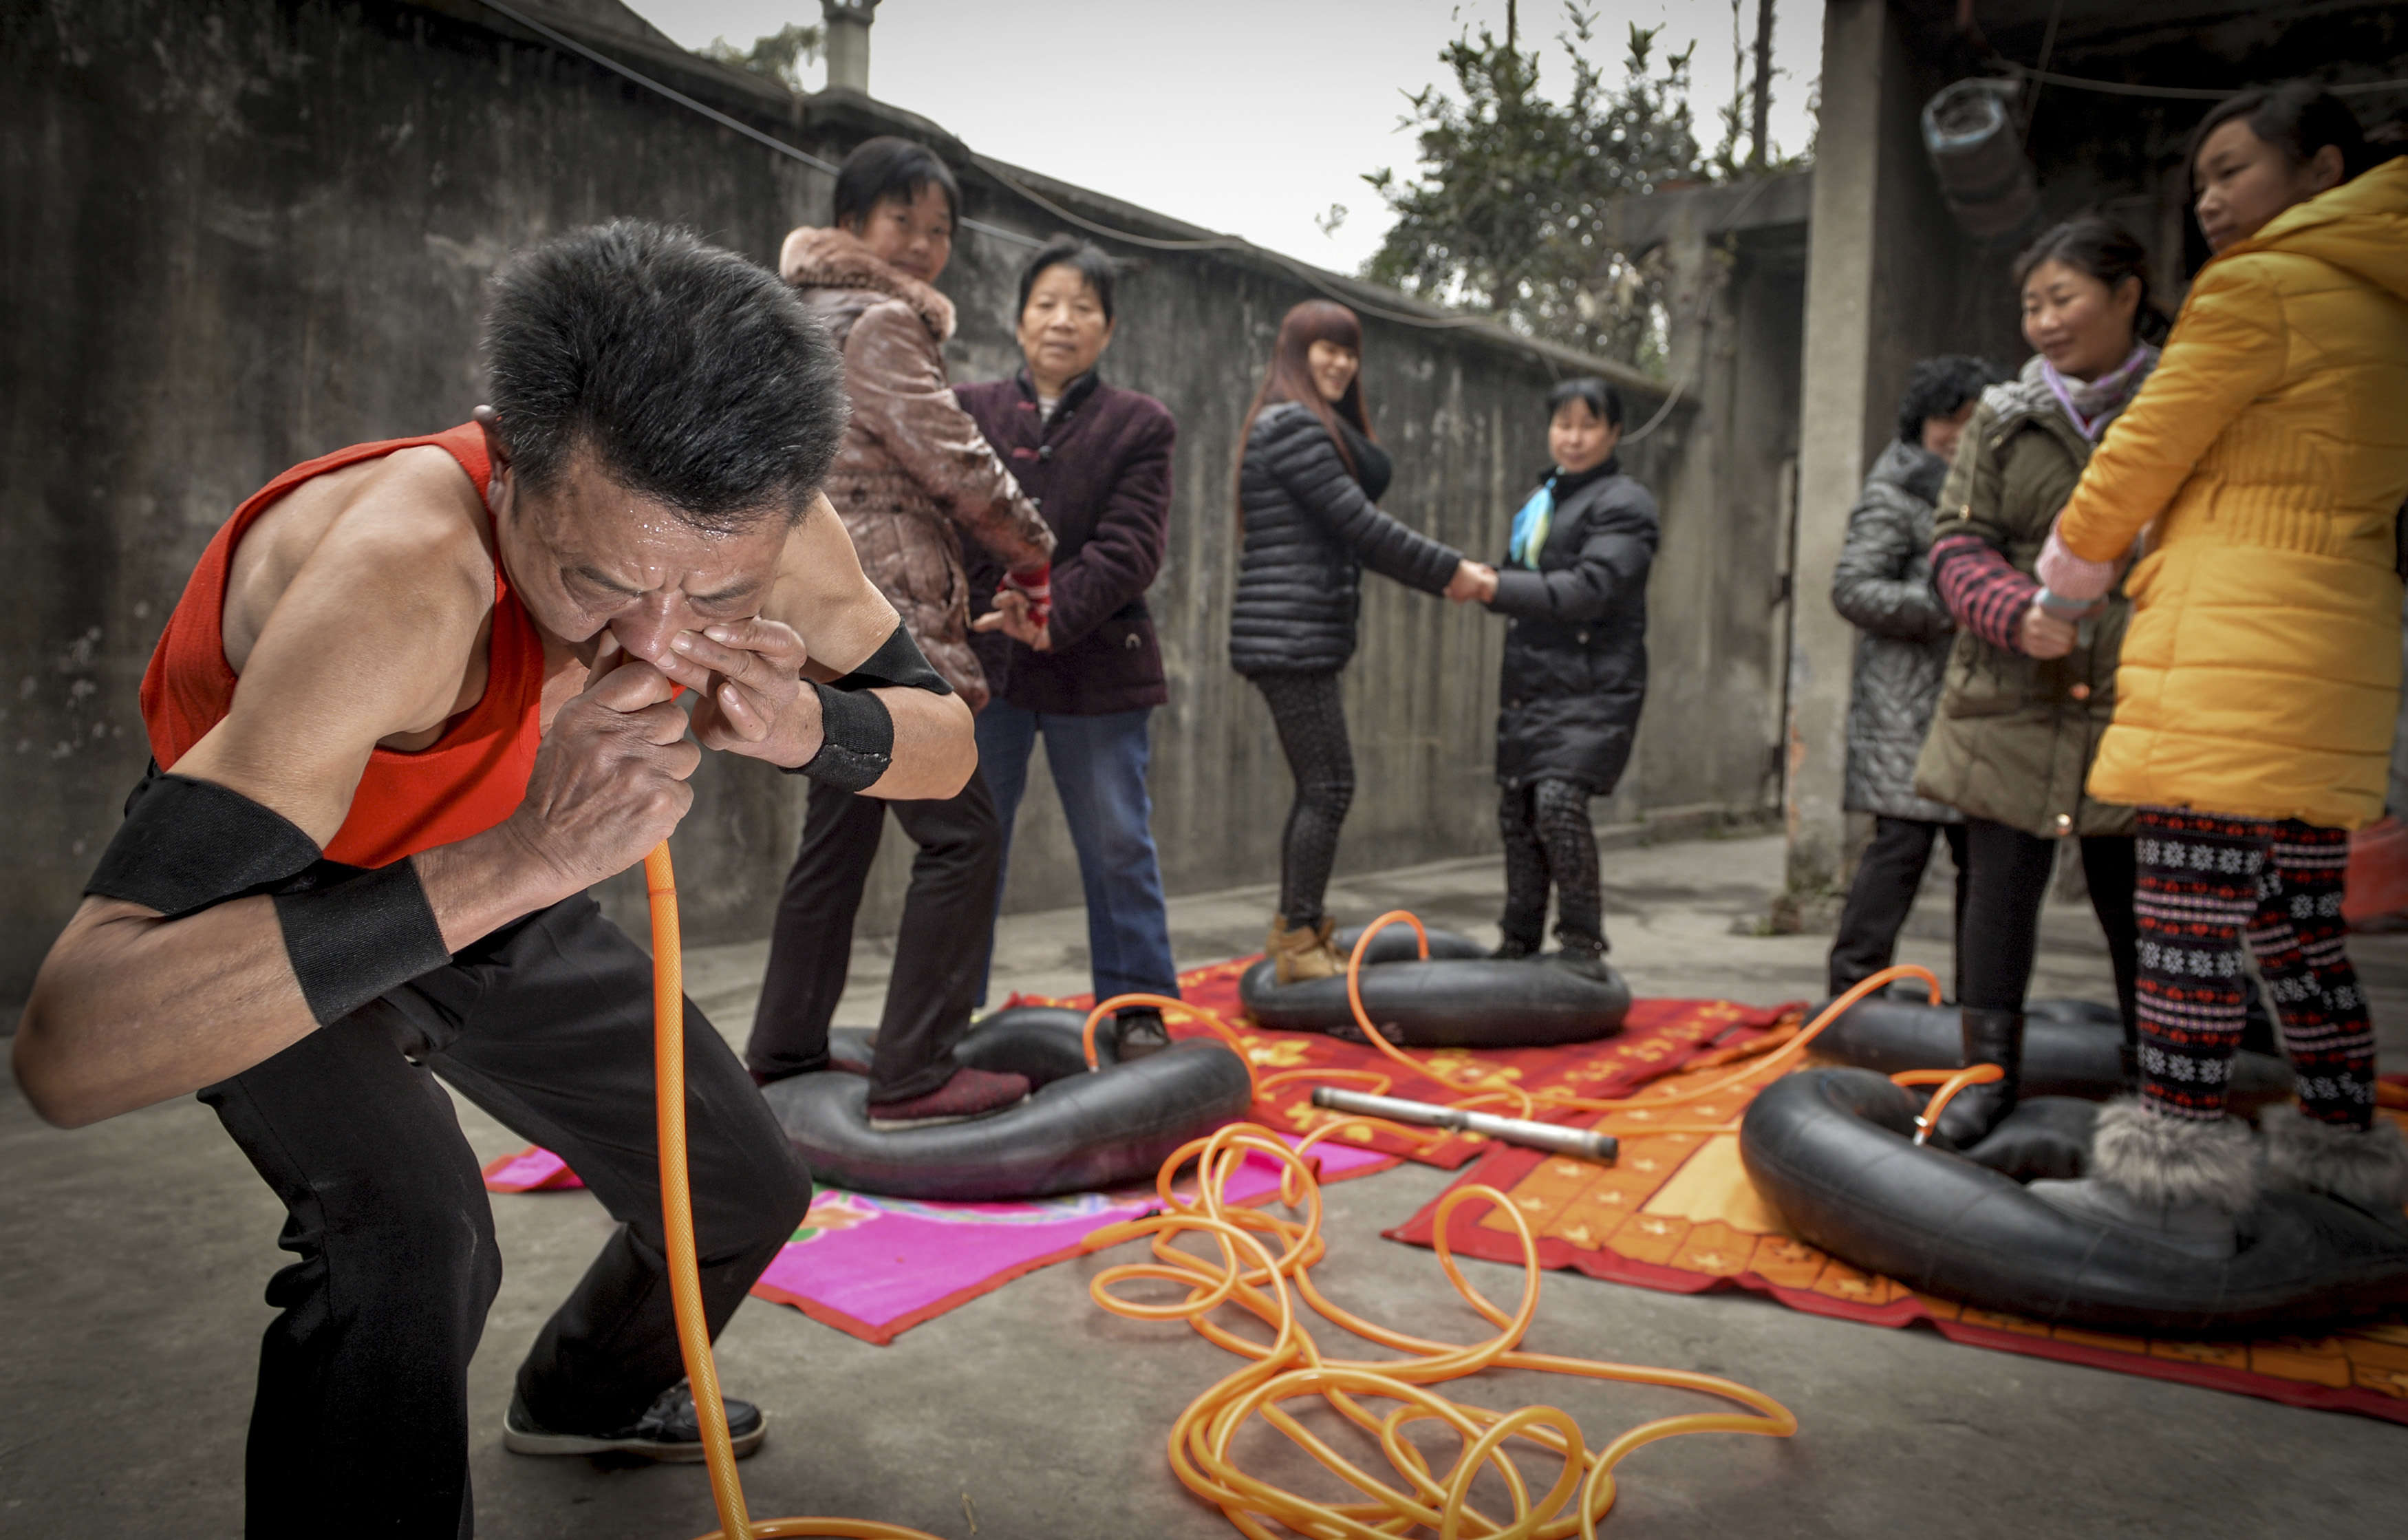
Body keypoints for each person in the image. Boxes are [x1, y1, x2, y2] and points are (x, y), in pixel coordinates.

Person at [10, 221, 974, 1533]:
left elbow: (951, 748)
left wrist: (812, 727)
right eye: (601, 583)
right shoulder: (400, 584)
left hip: (506, 866)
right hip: (291, 897)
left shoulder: (770, 520)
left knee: (748, 1185)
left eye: (718, 596)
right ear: (507, 456)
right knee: (411, 1241)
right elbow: (72, 1047)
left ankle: (587, 1390)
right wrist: (525, 855)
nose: (659, 640)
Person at [2026, 85, 2408, 1248]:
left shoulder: (2260, 288)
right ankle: (2346, 1154)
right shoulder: (2387, 305)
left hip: (2235, 642)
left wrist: (2066, 578)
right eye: (2202, 181)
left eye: (2234, 170)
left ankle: (2168, 1187)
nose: (2210, 201)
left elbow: (2144, 450)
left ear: (2322, 169)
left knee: (2185, 913)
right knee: (2296, 924)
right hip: (2332, 651)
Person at [746, 137, 1058, 1125]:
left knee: (834, 836)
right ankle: (917, 1070)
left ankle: (784, 1048)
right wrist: (1035, 552)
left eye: (939, 231)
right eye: (902, 223)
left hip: (809, 614)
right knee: (963, 831)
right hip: (884, 622)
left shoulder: (785, 320)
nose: (923, 247)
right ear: (849, 227)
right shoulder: (879, 323)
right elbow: (959, 464)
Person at [1911, 215, 2165, 1147]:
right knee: (1996, 897)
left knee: (2142, 905)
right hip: (2008, 698)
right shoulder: (2003, 419)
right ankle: (1985, 1078)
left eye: (2064, 298)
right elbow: (1954, 545)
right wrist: (2013, 610)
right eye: (2032, 305)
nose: (2046, 321)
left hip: (2138, 698)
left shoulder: (2186, 404)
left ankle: (2160, 1083)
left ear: (2128, 292)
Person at [958, 238, 1181, 1054]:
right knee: (969, 839)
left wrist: (1050, 612)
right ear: (1019, 320)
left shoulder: (1139, 424)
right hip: (988, 664)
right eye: (1047, 303)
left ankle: (1137, 1009)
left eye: (1082, 307)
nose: (1062, 321)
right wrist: (998, 609)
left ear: (1107, 329)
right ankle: (951, 1004)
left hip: (1097, 664)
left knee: (1119, 839)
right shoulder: (966, 409)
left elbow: (1131, 548)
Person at [1229, 300, 1490, 983]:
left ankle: (1300, 930)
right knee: (1329, 785)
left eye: (1349, 351)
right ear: (1294, 353)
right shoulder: (1290, 427)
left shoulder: (1307, 429)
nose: (1341, 362)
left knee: (1322, 784)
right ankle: (1296, 939)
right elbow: (1362, 529)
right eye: (1325, 348)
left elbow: (1355, 514)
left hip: (1296, 633)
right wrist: (1452, 574)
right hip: (1289, 636)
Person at [1454, 377, 1657, 978]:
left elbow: (1592, 589)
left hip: (1593, 685)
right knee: (1517, 814)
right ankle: (1517, 941)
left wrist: (1491, 585)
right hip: (1532, 684)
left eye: (1588, 425)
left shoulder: (1625, 503)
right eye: (1563, 424)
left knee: (1559, 803)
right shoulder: (1542, 501)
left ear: (1614, 432)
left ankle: (1581, 946)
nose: (1573, 438)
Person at [1825, 356, 2003, 998]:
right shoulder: (1895, 490)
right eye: (1946, 420)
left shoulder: (1997, 488)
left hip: (1977, 703)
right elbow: (1852, 589)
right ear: (1921, 424)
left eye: (1972, 420)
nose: (1957, 433)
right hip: (1904, 706)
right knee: (1900, 848)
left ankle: (1976, 1005)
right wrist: (1953, 607)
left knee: (1978, 861)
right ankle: (1851, 990)